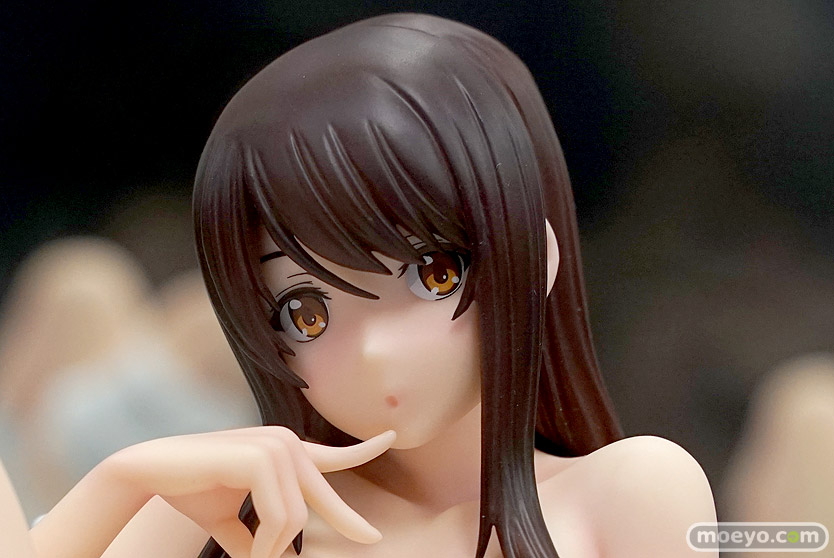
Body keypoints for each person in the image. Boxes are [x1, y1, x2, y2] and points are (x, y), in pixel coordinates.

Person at [8, 13, 716, 558]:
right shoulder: (216, 513)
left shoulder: (630, 491)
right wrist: (118, 483)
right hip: (96, 455)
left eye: (434, 274)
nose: (375, 350)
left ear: (538, 252)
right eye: (304, 312)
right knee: (80, 291)